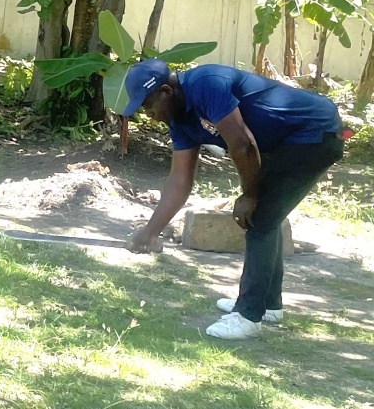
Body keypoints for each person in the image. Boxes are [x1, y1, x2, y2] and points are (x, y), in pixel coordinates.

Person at [123, 59, 344, 339]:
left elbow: (243, 144)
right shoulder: (179, 121)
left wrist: (249, 195)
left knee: (260, 217)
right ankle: (268, 304)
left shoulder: (206, 83)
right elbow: (179, 181)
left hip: (316, 132)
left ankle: (249, 315)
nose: (149, 114)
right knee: (266, 217)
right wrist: (149, 233)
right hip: (284, 142)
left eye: (147, 105)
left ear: (166, 92)